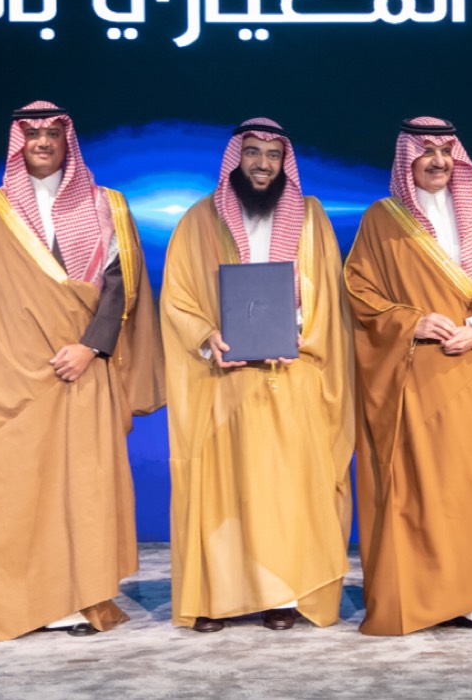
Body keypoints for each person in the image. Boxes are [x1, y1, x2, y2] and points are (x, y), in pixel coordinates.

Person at [0, 101, 165, 642]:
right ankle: (16, 605)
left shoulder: (107, 204)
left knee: (81, 491)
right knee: (10, 489)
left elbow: (121, 287)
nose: (41, 141)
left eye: (52, 133)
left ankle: (78, 603)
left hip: (82, 371)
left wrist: (90, 349)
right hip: (8, 377)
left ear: (67, 141)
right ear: (18, 141)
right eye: (31, 133)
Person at [161, 118, 354, 633]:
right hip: (223, 381)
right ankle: (216, 598)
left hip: (292, 377)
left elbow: (329, 297)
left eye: (272, 154)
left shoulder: (311, 217)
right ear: (236, 158)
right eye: (252, 152)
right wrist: (209, 338)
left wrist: (297, 333)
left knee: (284, 493)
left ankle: (281, 596)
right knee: (223, 491)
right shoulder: (198, 220)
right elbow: (177, 298)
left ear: (284, 161)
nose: (262, 164)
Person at [344, 117, 472, 636]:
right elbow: (359, 291)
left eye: (446, 151)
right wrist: (413, 321)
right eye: (425, 151)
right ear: (406, 160)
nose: (437, 161)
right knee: (421, 491)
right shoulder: (382, 219)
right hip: (416, 374)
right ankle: (422, 599)